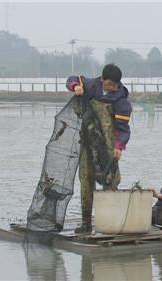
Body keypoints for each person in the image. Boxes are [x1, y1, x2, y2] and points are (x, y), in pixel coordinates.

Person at [65, 63, 132, 233]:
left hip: (108, 147)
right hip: (87, 143)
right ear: (102, 79)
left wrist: (119, 146)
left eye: (114, 85)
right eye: (108, 84)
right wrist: (77, 87)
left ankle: (109, 223)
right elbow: (71, 79)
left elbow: (123, 129)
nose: (111, 88)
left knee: (110, 181)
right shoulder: (91, 85)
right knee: (86, 180)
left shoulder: (121, 101)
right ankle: (86, 223)